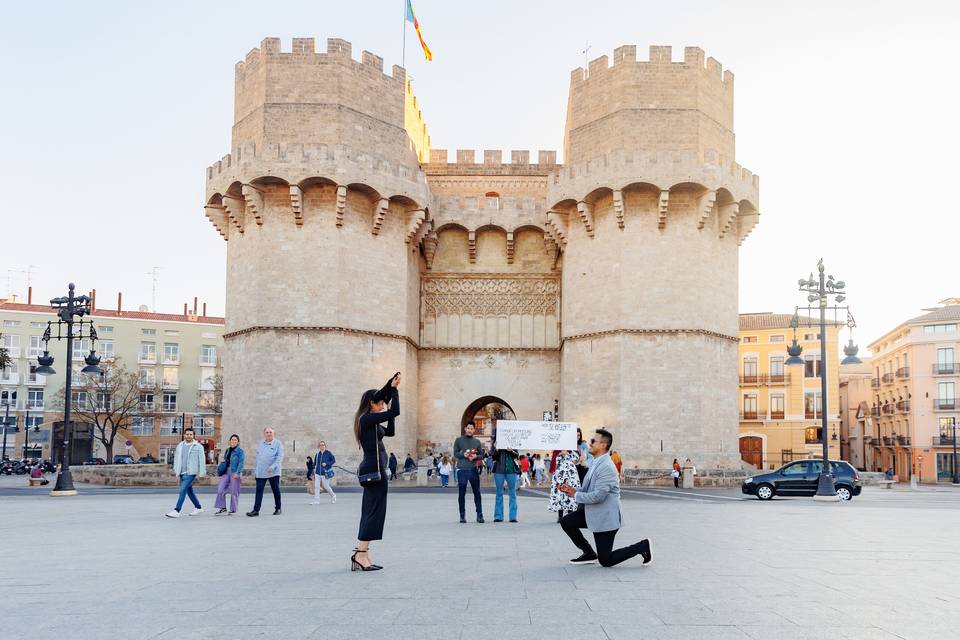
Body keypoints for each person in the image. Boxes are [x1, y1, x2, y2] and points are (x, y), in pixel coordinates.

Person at [558, 429, 651, 568]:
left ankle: (642, 546)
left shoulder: (606, 467)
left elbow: (598, 496)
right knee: (566, 521)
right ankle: (589, 553)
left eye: (593, 441)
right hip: (594, 512)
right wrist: (572, 490)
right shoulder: (596, 463)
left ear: (603, 445)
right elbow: (589, 490)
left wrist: (575, 495)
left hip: (606, 517)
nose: (589, 443)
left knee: (606, 560)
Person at [353, 372, 401, 572]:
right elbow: (394, 412)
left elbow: (390, 431)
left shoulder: (371, 422)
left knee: (373, 511)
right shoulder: (365, 420)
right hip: (374, 472)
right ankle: (360, 554)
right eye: (380, 403)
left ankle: (362, 552)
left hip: (378, 471)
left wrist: (389, 402)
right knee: (373, 512)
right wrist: (394, 390)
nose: (382, 406)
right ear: (371, 403)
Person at [166, 427, 207, 518]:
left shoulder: (198, 446)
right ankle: (198, 507)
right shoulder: (180, 445)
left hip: (190, 472)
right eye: (187, 434)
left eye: (191, 434)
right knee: (190, 492)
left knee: (182, 490)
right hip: (181, 472)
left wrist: (202, 473)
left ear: (193, 435)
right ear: (184, 435)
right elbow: (177, 459)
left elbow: (202, 460)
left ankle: (177, 510)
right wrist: (176, 469)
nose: (189, 436)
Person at [246, 427, 284, 517]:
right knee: (259, 491)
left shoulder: (278, 443)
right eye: (267, 432)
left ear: (273, 433)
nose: (269, 434)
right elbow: (258, 458)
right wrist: (256, 470)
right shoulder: (261, 443)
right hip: (261, 472)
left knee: (276, 490)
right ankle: (256, 510)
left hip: (273, 472)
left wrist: (272, 466)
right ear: (264, 434)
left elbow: (280, 457)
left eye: (270, 432)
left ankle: (278, 508)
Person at [453, 422, 485, 524]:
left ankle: (479, 515)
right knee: (462, 493)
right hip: (462, 469)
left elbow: (481, 454)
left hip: (473, 469)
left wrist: (476, 457)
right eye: (468, 428)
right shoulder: (458, 440)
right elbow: (455, 453)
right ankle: (462, 516)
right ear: (465, 429)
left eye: (472, 428)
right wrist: (464, 454)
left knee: (477, 493)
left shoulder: (477, 442)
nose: (470, 430)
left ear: (474, 430)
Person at [214, 434, 244, 515]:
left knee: (234, 492)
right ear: (229, 441)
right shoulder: (228, 450)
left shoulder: (240, 451)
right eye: (232, 439)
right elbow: (226, 460)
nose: (233, 441)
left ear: (238, 442)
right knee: (220, 490)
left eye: (235, 440)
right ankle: (222, 507)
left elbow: (241, 463)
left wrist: (237, 473)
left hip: (235, 472)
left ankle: (233, 509)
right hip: (226, 472)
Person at [490, 445, 520, 522]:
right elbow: (493, 457)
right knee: (499, 492)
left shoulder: (512, 442)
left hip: (511, 471)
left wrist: (511, 451)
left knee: (512, 493)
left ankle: (513, 516)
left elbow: (516, 456)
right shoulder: (496, 443)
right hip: (498, 470)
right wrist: (497, 450)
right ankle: (498, 516)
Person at [549, 449, 580, 523]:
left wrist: (567, 453)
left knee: (570, 495)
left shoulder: (573, 453)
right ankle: (560, 516)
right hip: (560, 476)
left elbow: (576, 460)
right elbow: (555, 464)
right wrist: (561, 455)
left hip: (571, 477)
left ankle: (570, 515)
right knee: (560, 495)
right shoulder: (557, 453)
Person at [312, 440, 337, 504]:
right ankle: (316, 501)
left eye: (323, 445)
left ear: (325, 446)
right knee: (317, 487)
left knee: (326, 486)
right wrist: (313, 472)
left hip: (325, 473)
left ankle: (333, 495)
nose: (322, 446)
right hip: (318, 473)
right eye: (320, 445)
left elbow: (333, 460)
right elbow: (315, 463)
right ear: (319, 446)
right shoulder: (317, 454)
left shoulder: (328, 453)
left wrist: (327, 463)